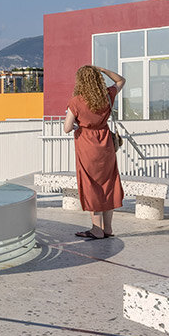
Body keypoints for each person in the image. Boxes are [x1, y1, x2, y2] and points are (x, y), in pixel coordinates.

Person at [63, 64, 126, 239]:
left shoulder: (76, 101)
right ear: (98, 79)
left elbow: (67, 128)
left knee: (92, 185)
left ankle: (96, 229)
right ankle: (108, 229)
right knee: (108, 184)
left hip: (87, 145)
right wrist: (104, 70)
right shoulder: (107, 95)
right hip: (105, 144)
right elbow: (121, 80)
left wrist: (78, 125)